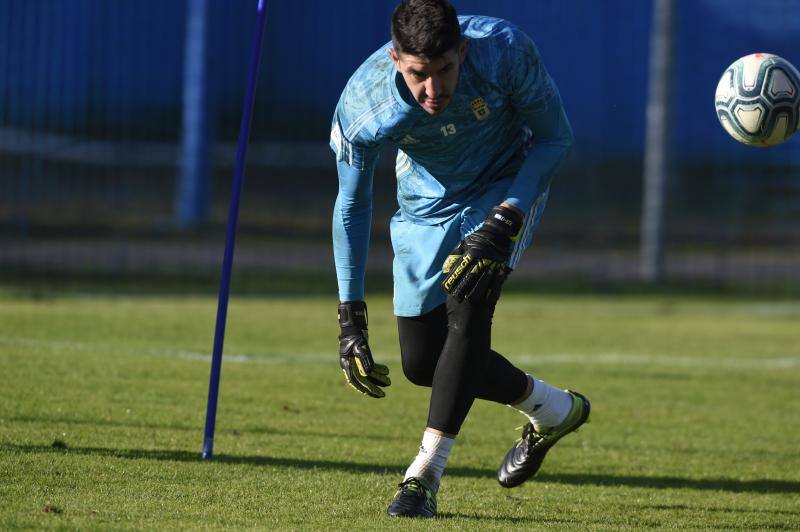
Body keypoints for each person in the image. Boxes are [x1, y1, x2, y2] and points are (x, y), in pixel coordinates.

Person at [331, 0, 590, 518]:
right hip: (424, 207)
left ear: (463, 52)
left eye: (445, 70)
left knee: (470, 298)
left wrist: (507, 216)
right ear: (395, 59)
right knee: (423, 362)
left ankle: (423, 476)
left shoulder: (503, 52)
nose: (434, 89)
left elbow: (555, 138)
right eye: (419, 74)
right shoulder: (365, 103)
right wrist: (350, 316)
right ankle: (556, 409)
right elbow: (353, 204)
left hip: (503, 186)